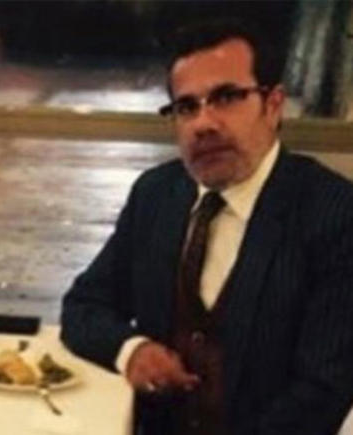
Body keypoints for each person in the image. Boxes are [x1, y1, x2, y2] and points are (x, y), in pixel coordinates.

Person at [60, 18, 353, 435]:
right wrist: (133, 350)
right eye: (186, 107)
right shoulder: (156, 195)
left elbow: (322, 391)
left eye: (227, 97)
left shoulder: (333, 213)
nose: (203, 124)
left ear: (273, 105)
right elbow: (84, 307)